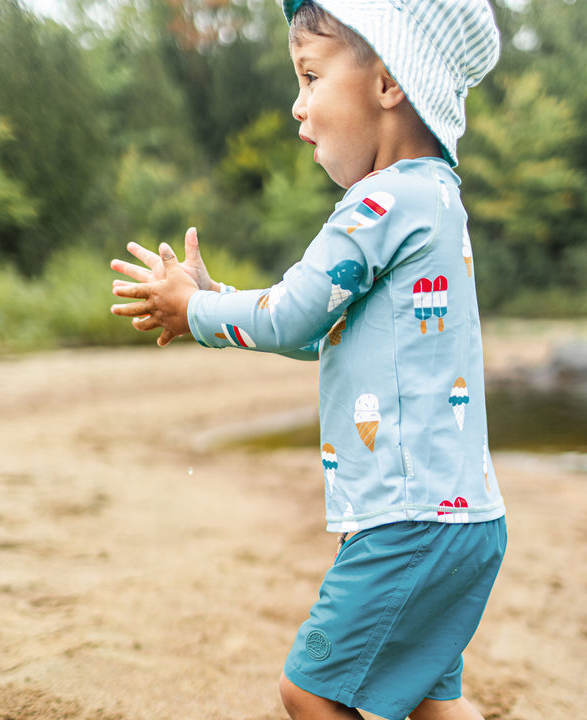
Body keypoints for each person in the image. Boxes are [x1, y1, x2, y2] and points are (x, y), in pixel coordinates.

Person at [110, 2, 507, 718]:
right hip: (460, 519)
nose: (297, 108)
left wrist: (193, 311)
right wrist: (218, 297)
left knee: (310, 690)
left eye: (310, 77)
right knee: (430, 705)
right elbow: (310, 327)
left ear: (387, 82)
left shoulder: (380, 201)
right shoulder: (434, 196)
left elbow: (294, 311)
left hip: (407, 519)